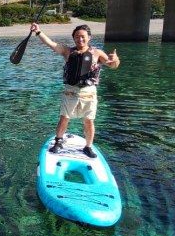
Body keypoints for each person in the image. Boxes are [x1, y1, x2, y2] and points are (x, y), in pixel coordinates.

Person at [30, 22, 120, 158]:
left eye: (83, 36)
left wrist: (115, 60)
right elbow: (52, 44)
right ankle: (58, 142)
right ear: (74, 38)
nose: (80, 39)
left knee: (89, 121)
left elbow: (113, 65)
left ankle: (88, 147)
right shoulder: (68, 52)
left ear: (89, 37)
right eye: (77, 37)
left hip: (89, 94)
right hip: (70, 92)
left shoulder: (97, 53)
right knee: (64, 118)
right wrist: (38, 32)